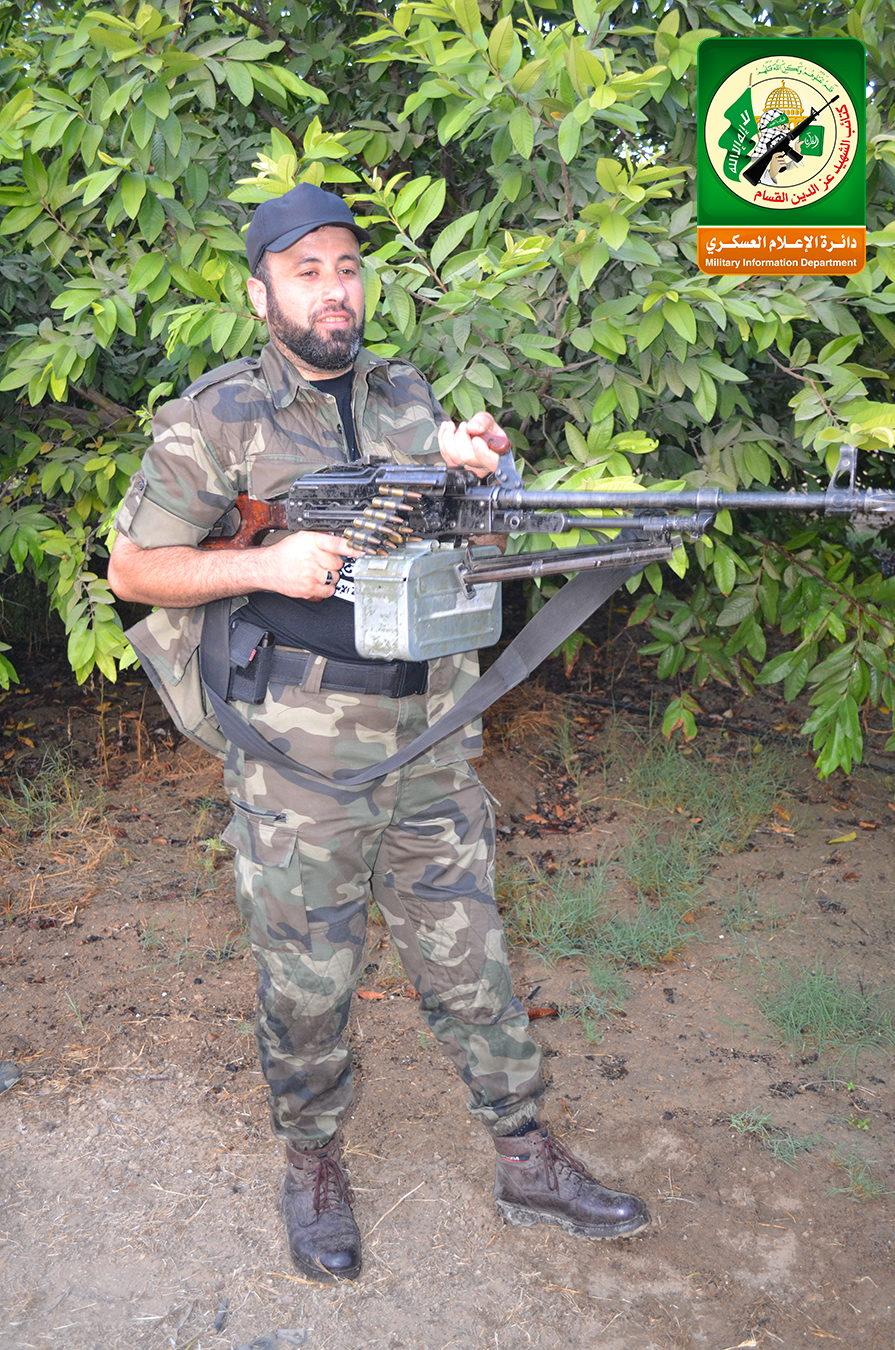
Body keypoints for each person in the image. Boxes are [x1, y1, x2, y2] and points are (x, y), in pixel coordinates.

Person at [108, 183, 650, 1281]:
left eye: (347, 269)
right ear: (259, 292)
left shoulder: (408, 397)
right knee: (308, 981)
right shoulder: (214, 418)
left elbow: (463, 545)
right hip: (298, 755)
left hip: (429, 735)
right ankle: (312, 1161)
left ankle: (524, 1152)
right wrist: (268, 565)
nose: (333, 291)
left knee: (470, 954)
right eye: (306, 271)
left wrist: (484, 474)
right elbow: (133, 569)